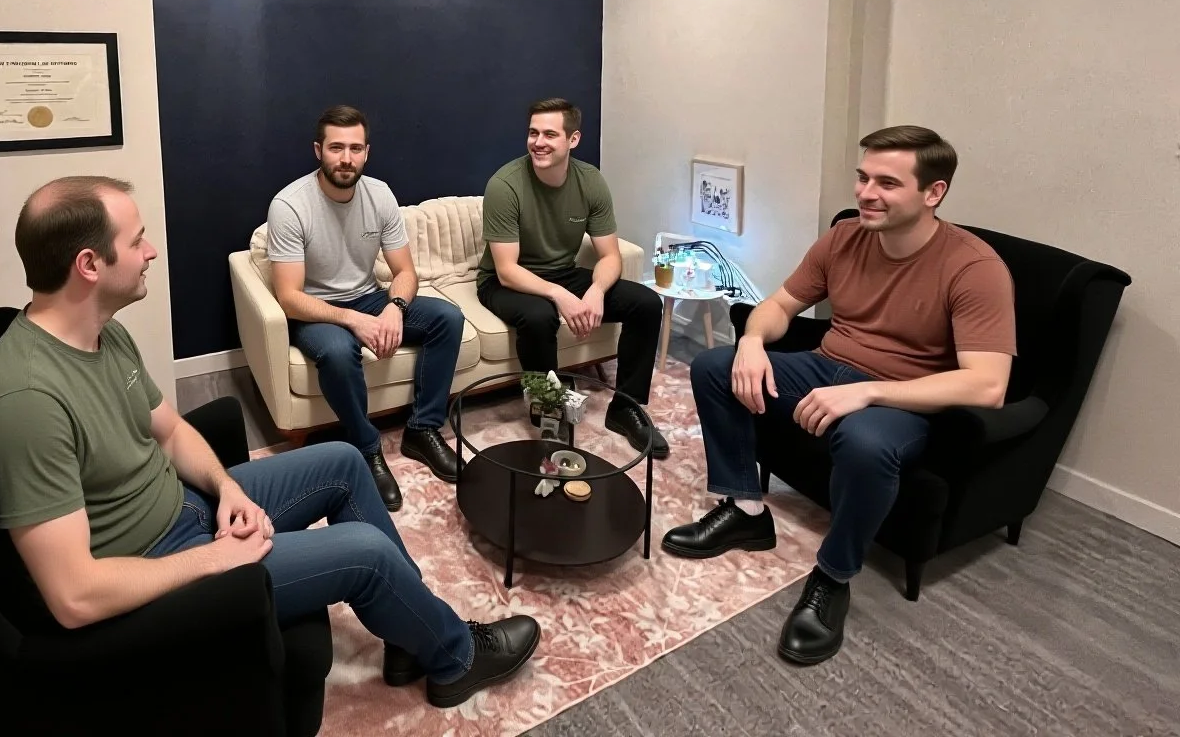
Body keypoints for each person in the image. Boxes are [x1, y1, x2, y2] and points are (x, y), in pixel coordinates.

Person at [0, 176, 540, 708]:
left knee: (343, 462)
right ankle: (455, 659)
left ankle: (411, 636)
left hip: (185, 509)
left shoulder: (103, 336)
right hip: (154, 568)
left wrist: (227, 487)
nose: (151, 251)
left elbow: (171, 431)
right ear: (89, 264)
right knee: (367, 552)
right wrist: (214, 558)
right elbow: (75, 596)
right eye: (136, 242)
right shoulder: (24, 404)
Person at [661, 126, 1015, 665]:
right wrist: (751, 342)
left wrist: (867, 393)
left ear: (933, 192)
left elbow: (987, 384)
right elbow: (779, 306)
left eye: (887, 183)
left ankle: (832, 577)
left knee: (866, 443)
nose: (867, 193)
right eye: (863, 177)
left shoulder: (974, 268)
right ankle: (746, 510)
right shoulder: (845, 237)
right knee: (715, 366)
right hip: (826, 364)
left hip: (904, 395)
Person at [266, 106, 464, 511]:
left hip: (369, 296)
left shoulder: (380, 194)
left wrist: (394, 307)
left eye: (355, 148)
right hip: (315, 308)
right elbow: (288, 297)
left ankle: (423, 429)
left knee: (448, 318)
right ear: (318, 150)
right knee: (339, 352)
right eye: (336, 147)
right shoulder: (289, 206)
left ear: (367, 152)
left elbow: (405, 271)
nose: (346, 158)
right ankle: (366, 448)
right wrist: (354, 320)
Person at [475, 98, 668, 458]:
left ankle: (626, 409)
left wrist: (596, 290)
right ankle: (548, 411)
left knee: (645, 302)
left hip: (563, 271)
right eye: (533, 133)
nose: (538, 142)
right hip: (504, 282)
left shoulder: (590, 181)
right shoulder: (505, 184)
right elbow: (506, 269)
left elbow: (610, 256)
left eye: (550, 134)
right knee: (539, 315)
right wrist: (560, 295)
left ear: (573, 139)